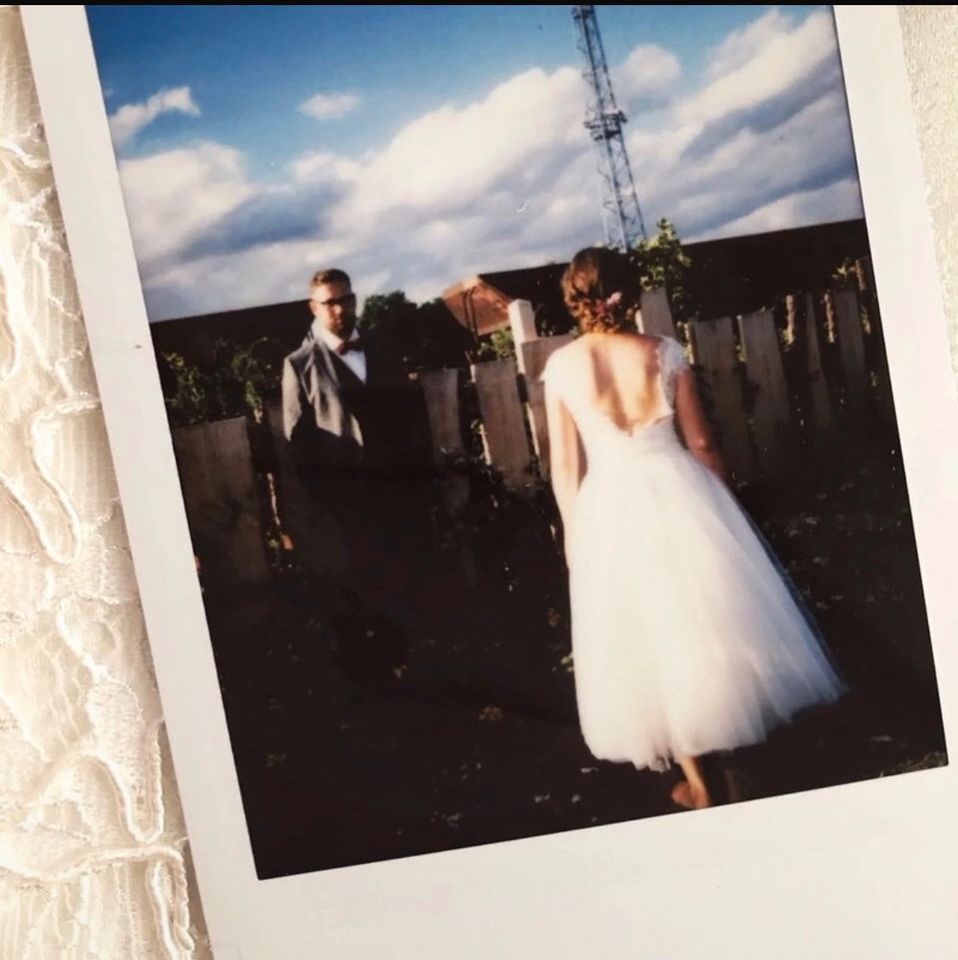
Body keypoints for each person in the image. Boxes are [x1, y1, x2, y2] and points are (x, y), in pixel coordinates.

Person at [542, 247, 846, 809]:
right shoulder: (663, 352)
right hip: (677, 492)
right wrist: (725, 505)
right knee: (705, 622)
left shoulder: (560, 369)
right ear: (628, 295)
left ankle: (701, 784)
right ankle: (728, 756)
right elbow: (702, 444)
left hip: (607, 506)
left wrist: (573, 535)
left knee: (647, 636)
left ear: (576, 301)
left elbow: (564, 468)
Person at [281, 268, 431, 681]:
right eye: (329, 302)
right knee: (366, 588)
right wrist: (328, 503)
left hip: (399, 495)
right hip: (349, 506)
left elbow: (412, 416)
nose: (339, 309)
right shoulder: (299, 366)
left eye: (345, 299)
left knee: (410, 579)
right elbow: (300, 446)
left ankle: (422, 668)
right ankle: (379, 676)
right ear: (314, 308)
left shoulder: (383, 349)